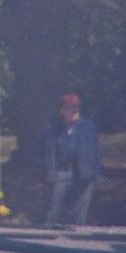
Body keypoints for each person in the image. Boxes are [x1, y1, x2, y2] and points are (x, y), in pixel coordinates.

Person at [40, 92, 100, 227]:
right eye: (69, 107)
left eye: (75, 107)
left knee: (79, 213)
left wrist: (94, 175)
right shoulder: (52, 127)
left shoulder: (88, 127)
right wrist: (49, 174)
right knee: (53, 209)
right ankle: (48, 233)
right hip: (61, 171)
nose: (73, 111)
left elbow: (95, 153)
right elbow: (47, 153)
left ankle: (77, 236)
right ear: (62, 110)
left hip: (83, 173)